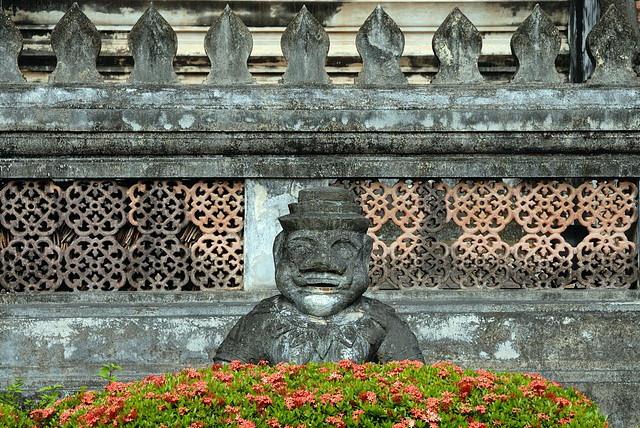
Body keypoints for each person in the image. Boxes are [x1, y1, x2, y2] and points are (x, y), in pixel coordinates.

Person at [215, 187, 424, 364]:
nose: (323, 263)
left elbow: (414, 384)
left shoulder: (380, 320)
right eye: (302, 247)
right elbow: (223, 385)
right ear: (279, 253)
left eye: (343, 248)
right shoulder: (262, 320)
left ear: (365, 256)